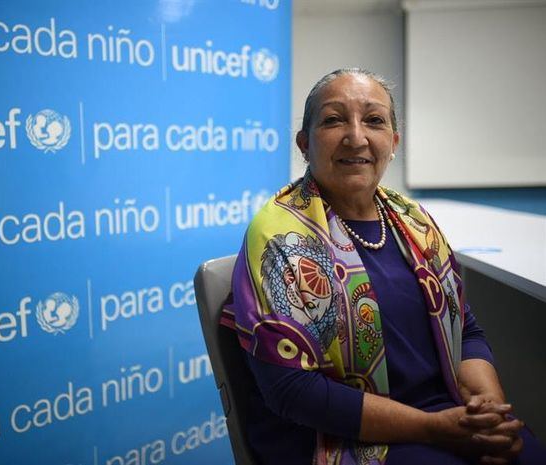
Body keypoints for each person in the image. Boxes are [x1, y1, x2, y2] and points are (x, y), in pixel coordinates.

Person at [222, 68, 545, 465]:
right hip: (335, 437)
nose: (356, 136)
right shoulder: (279, 239)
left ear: (393, 142)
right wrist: (434, 428)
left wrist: (488, 410)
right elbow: (293, 390)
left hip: (441, 415)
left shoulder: (414, 221)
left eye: (374, 120)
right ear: (304, 144)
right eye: (333, 119)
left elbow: (466, 329)